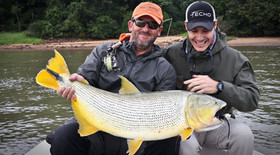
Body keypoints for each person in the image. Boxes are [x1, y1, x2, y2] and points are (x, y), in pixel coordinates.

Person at [47, 2, 180, 155]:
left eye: (152, 25)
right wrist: (75, 81)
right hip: (96, 128)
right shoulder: (103, 51)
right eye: (141, 23)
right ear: (131, 25)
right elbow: (85, 77)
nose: (145, 29)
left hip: (138, 137)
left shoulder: (165, 69)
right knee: (64, 136)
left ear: (159, 31)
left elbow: (163, 112)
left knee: (169, 141)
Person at [163, 1, 260, 155]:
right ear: (186, 26)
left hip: (218, 124)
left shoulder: (237, 59)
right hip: (186, 127)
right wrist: (132, 43)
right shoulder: (170, 54)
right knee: (185, 145)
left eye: (205, 30)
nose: (200, 37)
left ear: (215, 24)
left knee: (244, 134)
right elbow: (147, 62)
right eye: (194, 30)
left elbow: (252, 100)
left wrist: (220, 87)